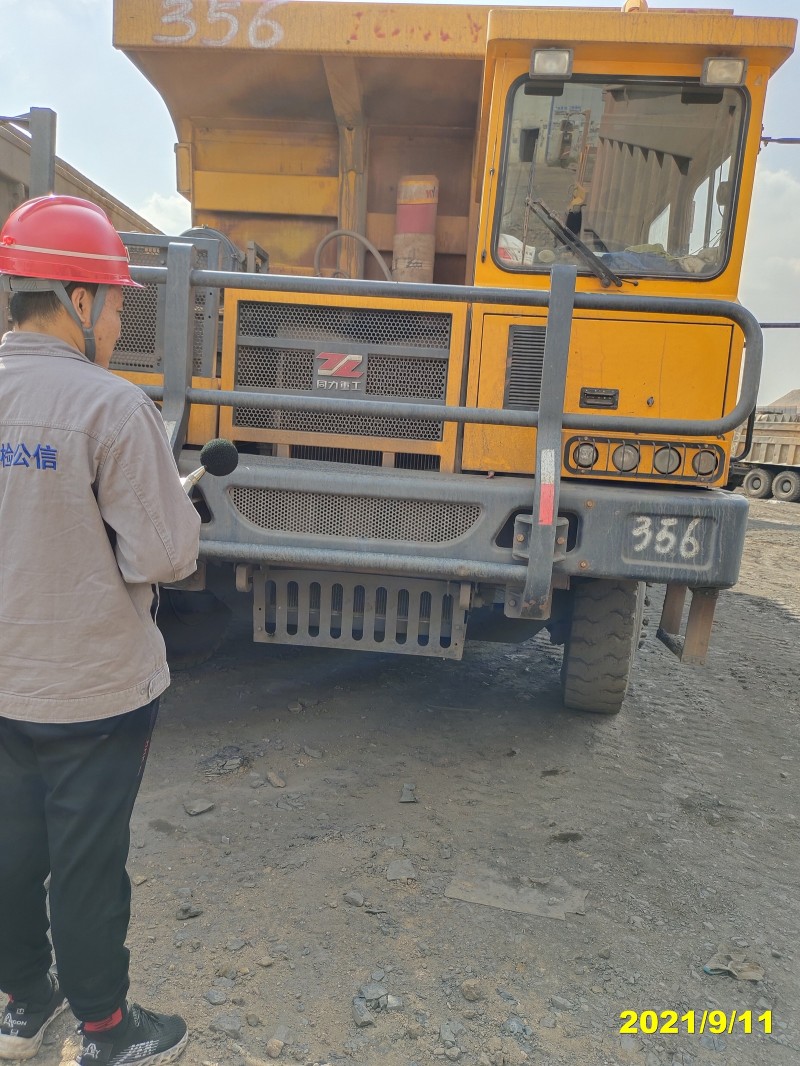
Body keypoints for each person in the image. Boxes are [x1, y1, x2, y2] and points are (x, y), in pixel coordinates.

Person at [0, 195, 201, 1064]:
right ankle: (109, 1031)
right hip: (93, 692)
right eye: (117, 304)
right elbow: (164, 555)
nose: (120, 323)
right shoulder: (111, 408)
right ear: (77, 300)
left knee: (8, 852)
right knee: (85, 864)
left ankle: (23, 1002)